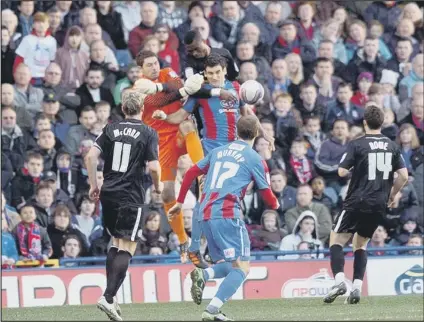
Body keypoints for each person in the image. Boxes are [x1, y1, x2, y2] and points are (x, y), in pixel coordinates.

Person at [168, 115, 279, 321]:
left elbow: (191, 172)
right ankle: (212, 310)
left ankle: (205, 274)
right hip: (228, 214)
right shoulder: (255, 158)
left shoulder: (218, 152)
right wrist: (275, 204)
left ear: (236, 132)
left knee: (230, 265)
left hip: (206, 215)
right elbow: (267, 194)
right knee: (243, 268)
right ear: (256, 133)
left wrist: (180, 201)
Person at [85, 89, 160, 321]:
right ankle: (107, 297)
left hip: (108, 192)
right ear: (142, 109)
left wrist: (92, 185)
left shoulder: (110, 128)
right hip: (131, 194)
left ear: (123, 109)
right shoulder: (148, 132)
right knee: (127, 246)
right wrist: (157, 187)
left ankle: (111, 298)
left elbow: (90, 157)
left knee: (116, 242)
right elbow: (155, 167)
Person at [324, 105, 408, 305]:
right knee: (360, 245)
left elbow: (342, 172)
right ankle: (357, 287)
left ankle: (338, 281)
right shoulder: (392, 145)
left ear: (364, 122)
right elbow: (404, 175)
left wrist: (355, 167)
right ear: (382, 123)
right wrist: (392, 194)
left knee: (336, 240)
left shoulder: (357, 144)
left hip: (356, 200)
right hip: (378, 203)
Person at [133, 50, 205, 259]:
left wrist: (160, 87)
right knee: (167, 194)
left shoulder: (167, 72)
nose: (155, 67)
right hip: (162, 144)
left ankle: (202, 173)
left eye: (155, 63)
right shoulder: (138, 86)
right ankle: (183, 240)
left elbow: (177, 86)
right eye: (149, 65)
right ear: (141, 69)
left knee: (187, 125)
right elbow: (156, 103)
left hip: (178, 131)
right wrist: (175, 92)